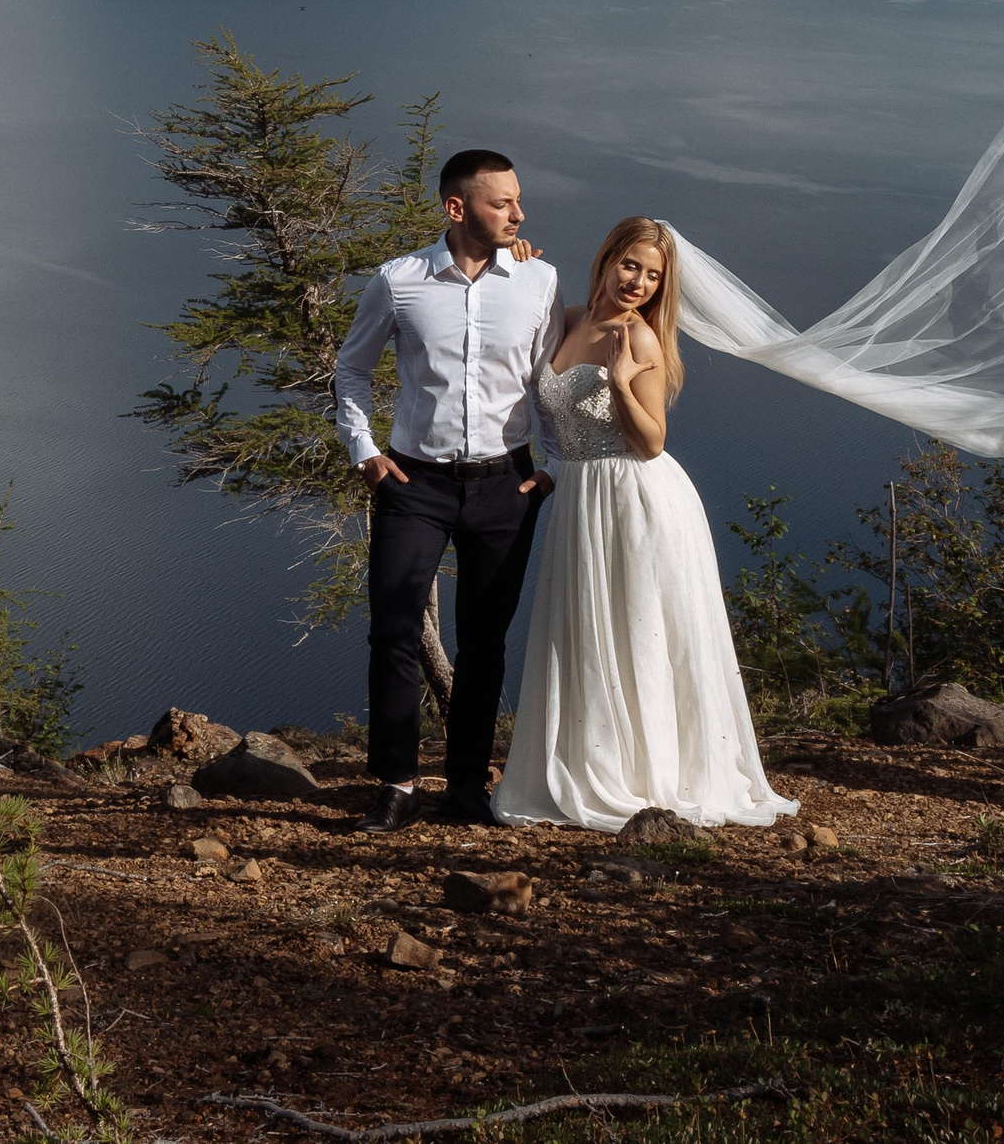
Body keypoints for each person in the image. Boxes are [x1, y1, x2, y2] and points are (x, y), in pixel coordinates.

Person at [494, 216, 797, 832]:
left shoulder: (641, 340)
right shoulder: (568, 319)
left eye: (653, 276)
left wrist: (622, 384)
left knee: (638, 630)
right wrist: (514, 264)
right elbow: (515, 333)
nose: (638, 283)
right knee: (587, 629)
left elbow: (652, 441)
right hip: (581, 496)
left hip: (633, 496)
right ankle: (588, 763)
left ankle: (645, 775)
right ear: (606, 259)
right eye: (630, 265)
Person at [334, 149, 562, 833]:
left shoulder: (539, 279)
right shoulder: (398, 281)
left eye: (518, 200)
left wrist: (551, 466)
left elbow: (549, 382)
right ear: (456, 208)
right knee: (394, 631)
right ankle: (398, 786)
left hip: (506, 485)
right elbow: (351, 370)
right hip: (414, 483)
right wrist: (366, 451)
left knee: (485, 642)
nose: (519, 214)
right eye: (503, 203)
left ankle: (466, 785)